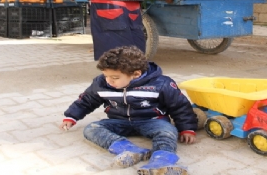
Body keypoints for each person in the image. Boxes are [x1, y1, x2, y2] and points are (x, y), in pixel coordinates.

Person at [59, 46, 197, 174]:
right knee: (91, 129)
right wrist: (71, 116)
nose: (108, 81)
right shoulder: (101, 83)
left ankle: (162, 161)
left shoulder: (162, 83)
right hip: (118, 121)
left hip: (153, 122)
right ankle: (130, 150)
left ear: (136, 74)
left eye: (114, 78)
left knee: (168, 131)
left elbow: (180, 106)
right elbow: (86, 100)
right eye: (105, 76)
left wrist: (187, 128)